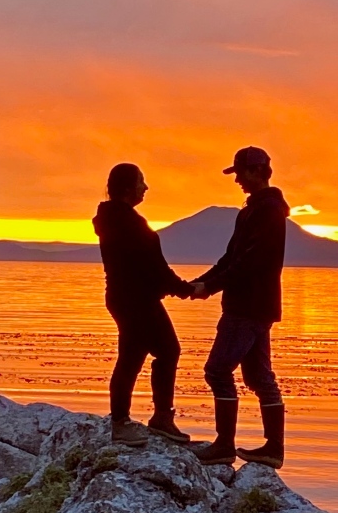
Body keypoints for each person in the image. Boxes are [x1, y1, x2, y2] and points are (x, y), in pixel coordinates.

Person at [190, 146, 289, 468]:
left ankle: (224, 446)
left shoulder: (268, 211)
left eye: (241, 173)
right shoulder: (251, 211)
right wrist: (200, 283)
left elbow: (250, 262)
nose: (238, 181)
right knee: (259, 378)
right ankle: (273, 449)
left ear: (258, 171)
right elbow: (230, 257)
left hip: (247, 307)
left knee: (217, 371)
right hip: (256, 306)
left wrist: (211, 285)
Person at [93, 163, 193, 446]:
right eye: (141, 182)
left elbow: (150, 268)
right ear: (127, 188)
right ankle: (154, 419)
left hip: (122, 297)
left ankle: (124, 420)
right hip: (136, 299)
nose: (146, 188)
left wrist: (179, 287)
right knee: (168, 351)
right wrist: (186, 289)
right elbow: (154, 269)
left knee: (132, 356)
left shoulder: (113, 219)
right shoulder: (130, 224)